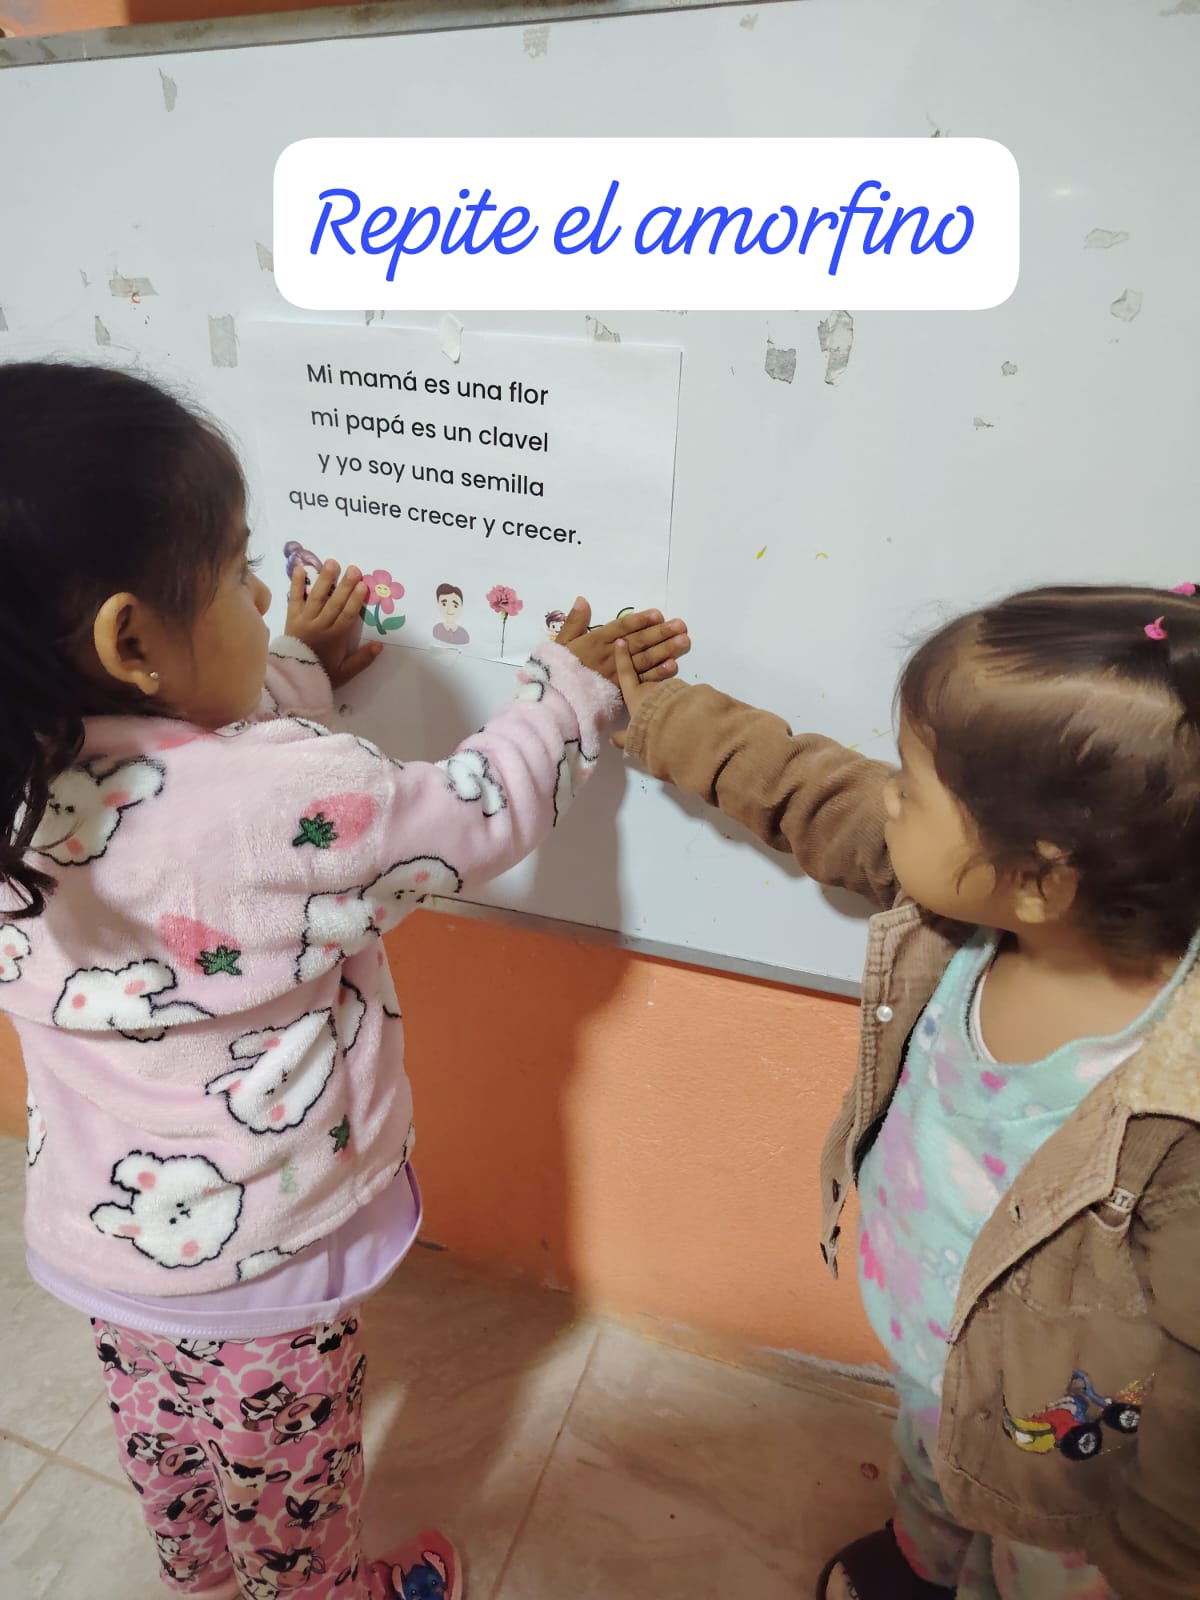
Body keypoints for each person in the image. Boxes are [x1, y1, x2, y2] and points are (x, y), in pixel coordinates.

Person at [0, 360, 690, 1600]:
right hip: (264, 1265)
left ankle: (198, 1577)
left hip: (102, 1245)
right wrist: (570, 691)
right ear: (131, 638)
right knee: (291, 1487)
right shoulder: (290, 794)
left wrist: (294, 662)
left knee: (167, 1443)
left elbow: (178, 744)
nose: (264, 596)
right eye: (238, 574)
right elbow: (476, 810)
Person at [612, 585, 1200, 1600]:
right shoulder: (969, 911)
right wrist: (659, 714)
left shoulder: (1176, 1107)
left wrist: (1156, 1565)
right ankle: (924, 1564)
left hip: (1065, 1457)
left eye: (915, 789)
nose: (887, 798)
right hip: (931, 1349)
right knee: (931, 1468)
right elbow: (815, 790)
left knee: (1032, 1565)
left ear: (1039, 880)